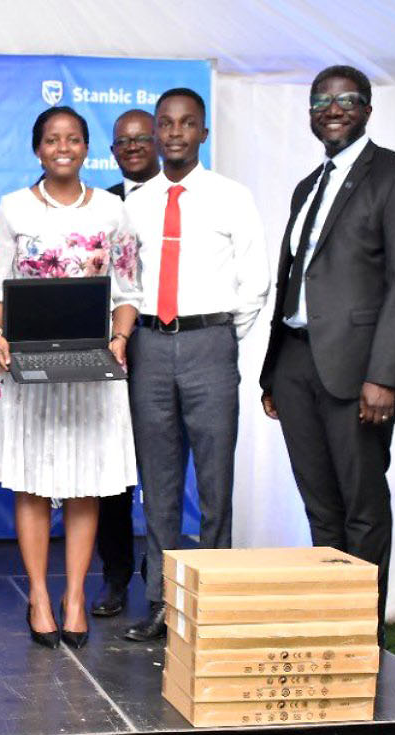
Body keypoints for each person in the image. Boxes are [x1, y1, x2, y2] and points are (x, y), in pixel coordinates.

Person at [259, 65, 395, 643]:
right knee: (320, 506)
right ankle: (330, 622)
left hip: (360, 370)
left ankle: (362, 636)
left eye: (345, 99)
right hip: (296, 362)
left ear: (367, 108)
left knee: (362, 504)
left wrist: (383, 375)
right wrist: (272, 372)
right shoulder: (307, 185)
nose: (332, 110)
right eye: (321, 102)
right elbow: (296, 277)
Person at [0, 106, 140, 650]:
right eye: (51, 139)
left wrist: (118, 341)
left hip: (92, 368)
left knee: (83, 483)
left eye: (72, 139)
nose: (62, 147)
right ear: (38, 149)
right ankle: (40, 599)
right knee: (31, 484)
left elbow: (129, 291)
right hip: (25, 366)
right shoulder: (14, 208)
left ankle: (74, 598)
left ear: (86, 147)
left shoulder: (115, 211)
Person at [125, 87, 269, 642]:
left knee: (214, 482)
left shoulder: (232, 196)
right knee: (158, 486)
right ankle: (162, 603)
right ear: (155, 134)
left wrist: (221, 338)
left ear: (203, 133)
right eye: (166, 124)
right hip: (149, 347)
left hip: (211, 343)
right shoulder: (133, 204)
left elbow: (254, 281)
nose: (176, 132)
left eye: (187, 123)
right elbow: (125, 281)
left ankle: (213, 604)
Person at [93, 108, 161, 619]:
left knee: (163, 470)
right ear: (112, 150)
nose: (133, 146)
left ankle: (163, 575)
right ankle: (115, 576)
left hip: (166, 342)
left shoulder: (190, 197)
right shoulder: (99, 205)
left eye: (142, 138)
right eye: (123, 141)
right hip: (112, 347)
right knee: (113, 474)